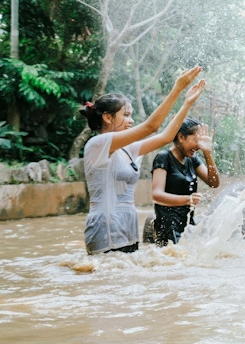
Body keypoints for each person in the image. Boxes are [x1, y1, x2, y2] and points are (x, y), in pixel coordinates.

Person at [79, 67, 205, 255]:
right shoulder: (97, 144)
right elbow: (151, 127)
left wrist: (186, 104)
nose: (131, 120)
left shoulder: (128, 149)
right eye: (126, 115)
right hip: (105, 228)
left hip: (128, 228)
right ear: (107, 117)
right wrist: (176, 89)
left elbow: (165, 137)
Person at [151, 118, 220, 246]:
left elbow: (214, 183)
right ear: (181, 137)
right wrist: (188, 199)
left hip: (187, 225)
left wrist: (207, 153)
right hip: (167, 227)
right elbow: (157, 195)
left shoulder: (192, 160)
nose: (198, 146)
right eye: (196, 140)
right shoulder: (164, 157)